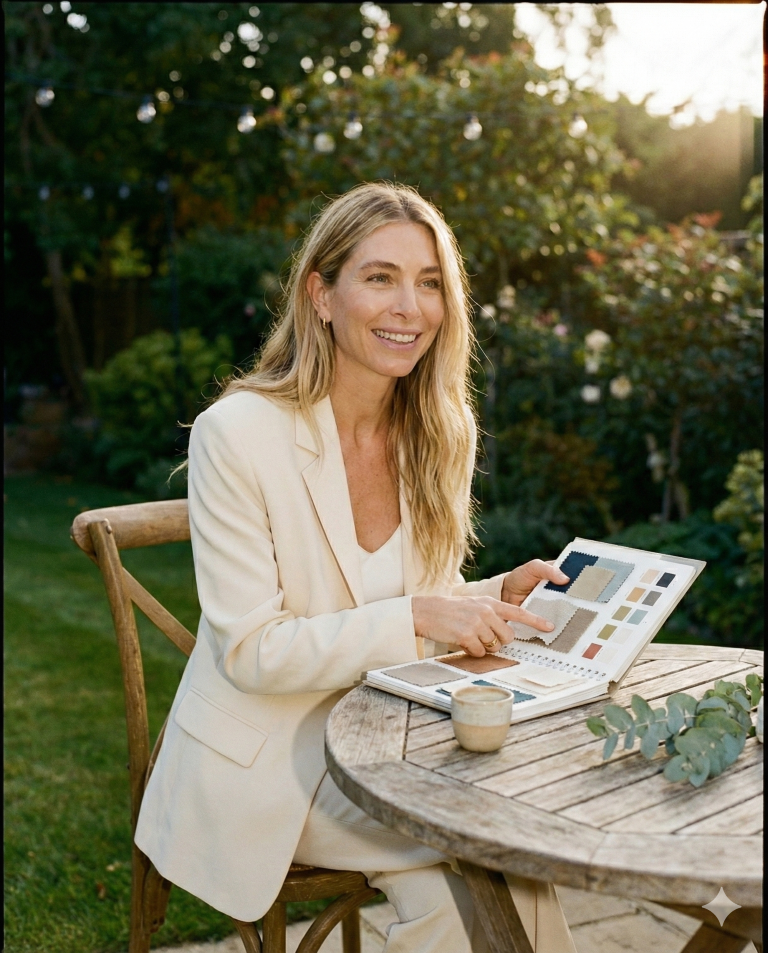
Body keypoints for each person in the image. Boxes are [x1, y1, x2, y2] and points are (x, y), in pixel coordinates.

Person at [136, 182, 576, 952]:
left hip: (393, 748)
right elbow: (251, 650)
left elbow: (409, 600)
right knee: (478, 876)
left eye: (430, 282)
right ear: (322, 295)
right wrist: (420, 616)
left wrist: (487, 595)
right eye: (380, 277)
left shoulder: (440, 431)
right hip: (266, 763)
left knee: (512, 866)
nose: (410, 306)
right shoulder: (236, 434)